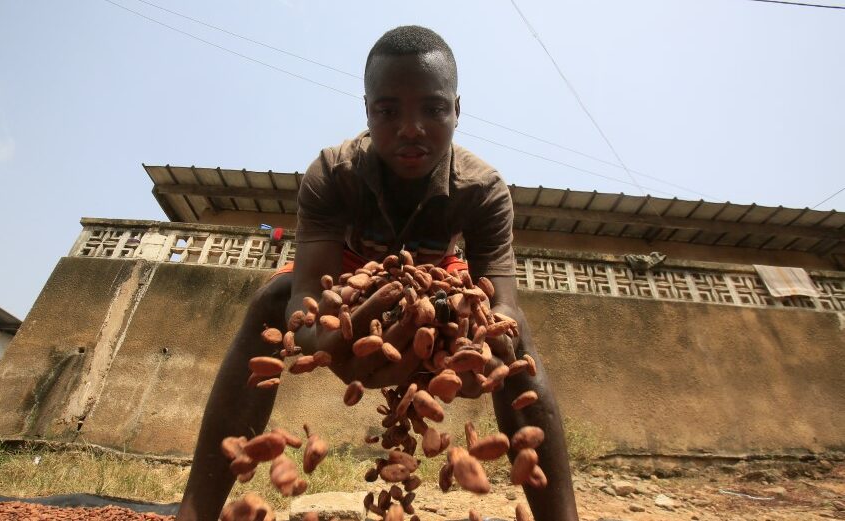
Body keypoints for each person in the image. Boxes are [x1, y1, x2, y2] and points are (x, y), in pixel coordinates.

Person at [176, 25, 579, 521]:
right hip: (350, 280)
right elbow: (306, 294)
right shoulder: (332, 173)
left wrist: (484, 347)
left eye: (432, 109)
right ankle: (195, 511)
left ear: (457, 109)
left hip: (440, 282)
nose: (411, 128)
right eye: (389, 111)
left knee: (517, 342)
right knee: (272, 296)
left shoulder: (483, 189)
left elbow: (504, 303)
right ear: (368, 111)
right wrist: (323, 342)